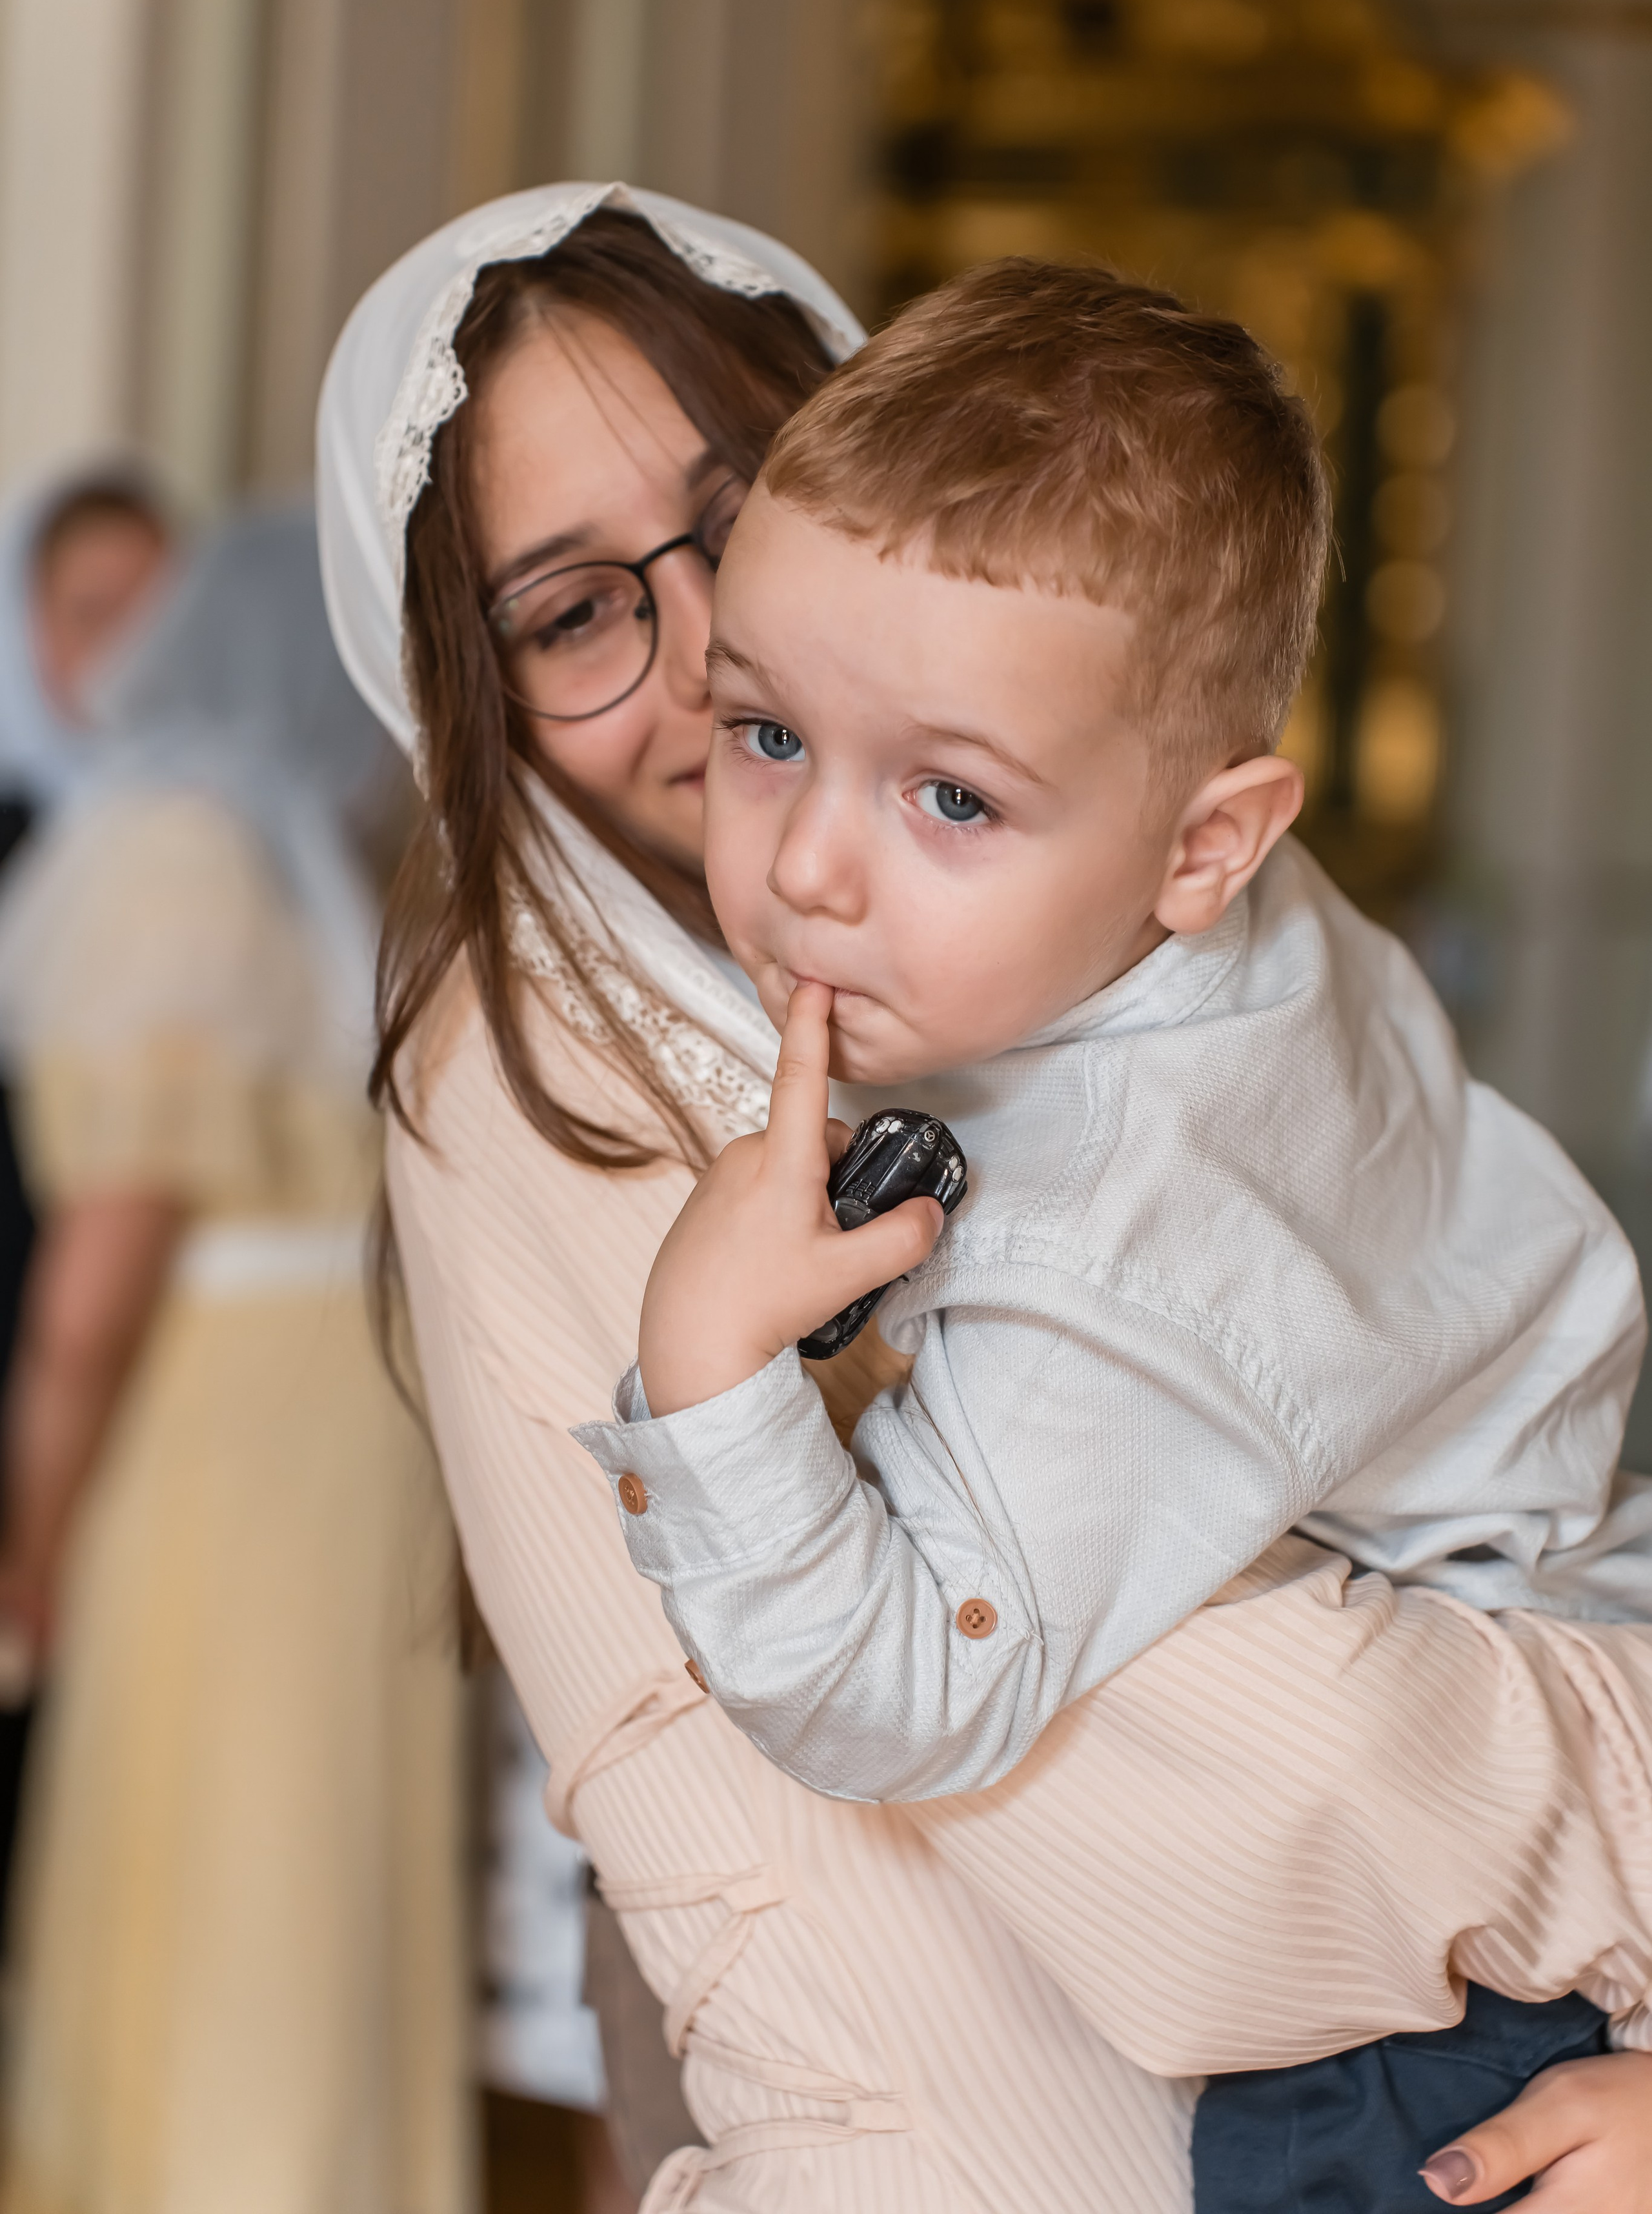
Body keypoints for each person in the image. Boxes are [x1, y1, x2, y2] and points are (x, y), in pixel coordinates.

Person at [319, 181, 1652, 2213]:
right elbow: (1235, 1790)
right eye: (579, 612)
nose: (699, 674)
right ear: (461, 695)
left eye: (739, 498)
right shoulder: (553, 1065)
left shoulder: (1133, 987)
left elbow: (1240, 1771)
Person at [0, 505, 470, 2214]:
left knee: (216, 1828)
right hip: (343, 1421)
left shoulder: (168, 858)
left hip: (218, 1435)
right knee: (307, 1831)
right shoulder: (315, 860)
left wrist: (31, 1535)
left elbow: (91, 1291)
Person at [0, 465, 176, 1898]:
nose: (128, 649)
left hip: (153, 1378)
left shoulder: (240, 856)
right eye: (91, 611)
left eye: (157, 612)